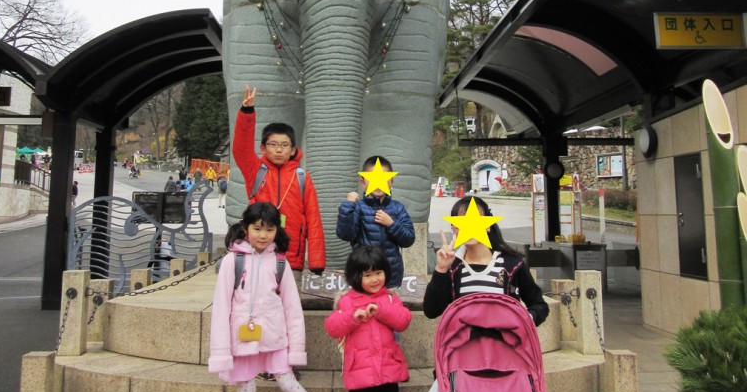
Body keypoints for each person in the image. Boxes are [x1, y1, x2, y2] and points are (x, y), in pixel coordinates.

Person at [208, 201, 330, 392]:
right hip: (242, 339)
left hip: (274, 335)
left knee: (287, 382)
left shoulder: (280, 263)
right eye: (257, 228)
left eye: (269, 229)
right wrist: (221, 350)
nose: (263, 235)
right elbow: (221, 308)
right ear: (245, 229)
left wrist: (296, 347)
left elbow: (292, 308)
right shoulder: (232, 261)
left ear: (277, 231)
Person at [324, 246, 411, 392]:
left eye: (378, 273)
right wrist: (353, 318)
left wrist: (380, 310)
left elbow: (403, 320)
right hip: (359, 370)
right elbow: (332, 327)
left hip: (387, 369)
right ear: (356, 276)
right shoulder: (346, 301)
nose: (374, 279)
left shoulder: (390, 298)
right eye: (367, 275)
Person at [232, 84, 325, 274]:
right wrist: (247, 112)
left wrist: (316, 262)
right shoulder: (255, 170)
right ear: (263, 148)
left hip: (293, 255)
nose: (279, 149)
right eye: (273, 144)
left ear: (293, 150)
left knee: (288, 301)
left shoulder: (302, 177)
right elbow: (240, 148)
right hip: (258, 250)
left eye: (285, 145)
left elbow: (313, 218)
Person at [423, 195, 549, 325]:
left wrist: (523, 321)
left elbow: (539, 305)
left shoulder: (512, 264)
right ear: (454, 229)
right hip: (464, 344)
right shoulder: (452, 267)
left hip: (505, 344)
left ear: (488, 226)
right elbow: (431, 311)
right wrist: (441, 269)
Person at [335, 155, 415, 288]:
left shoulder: (398, 207)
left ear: (392, 181)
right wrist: (348, 205)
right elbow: (345, 234)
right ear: (363, 182)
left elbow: (409, 240)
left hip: (391, 276)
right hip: (363, 275)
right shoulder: (357, 207)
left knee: (388, 308)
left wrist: (391, 224)